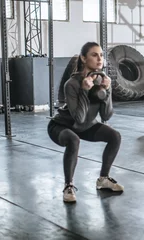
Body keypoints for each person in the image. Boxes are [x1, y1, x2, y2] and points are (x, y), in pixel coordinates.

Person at [48, 42, 124, 203]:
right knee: (73, 140)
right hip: (62, 126)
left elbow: (106, 115)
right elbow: (79, 118)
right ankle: (68, 186)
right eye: (94, 55)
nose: (99, 59)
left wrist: (108, 91)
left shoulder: (101, 81)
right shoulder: (72, 84)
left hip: (85, 126)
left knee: (115, 136)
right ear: (83, 58)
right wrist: (84, 90)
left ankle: (103, 179)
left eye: (101, 55)